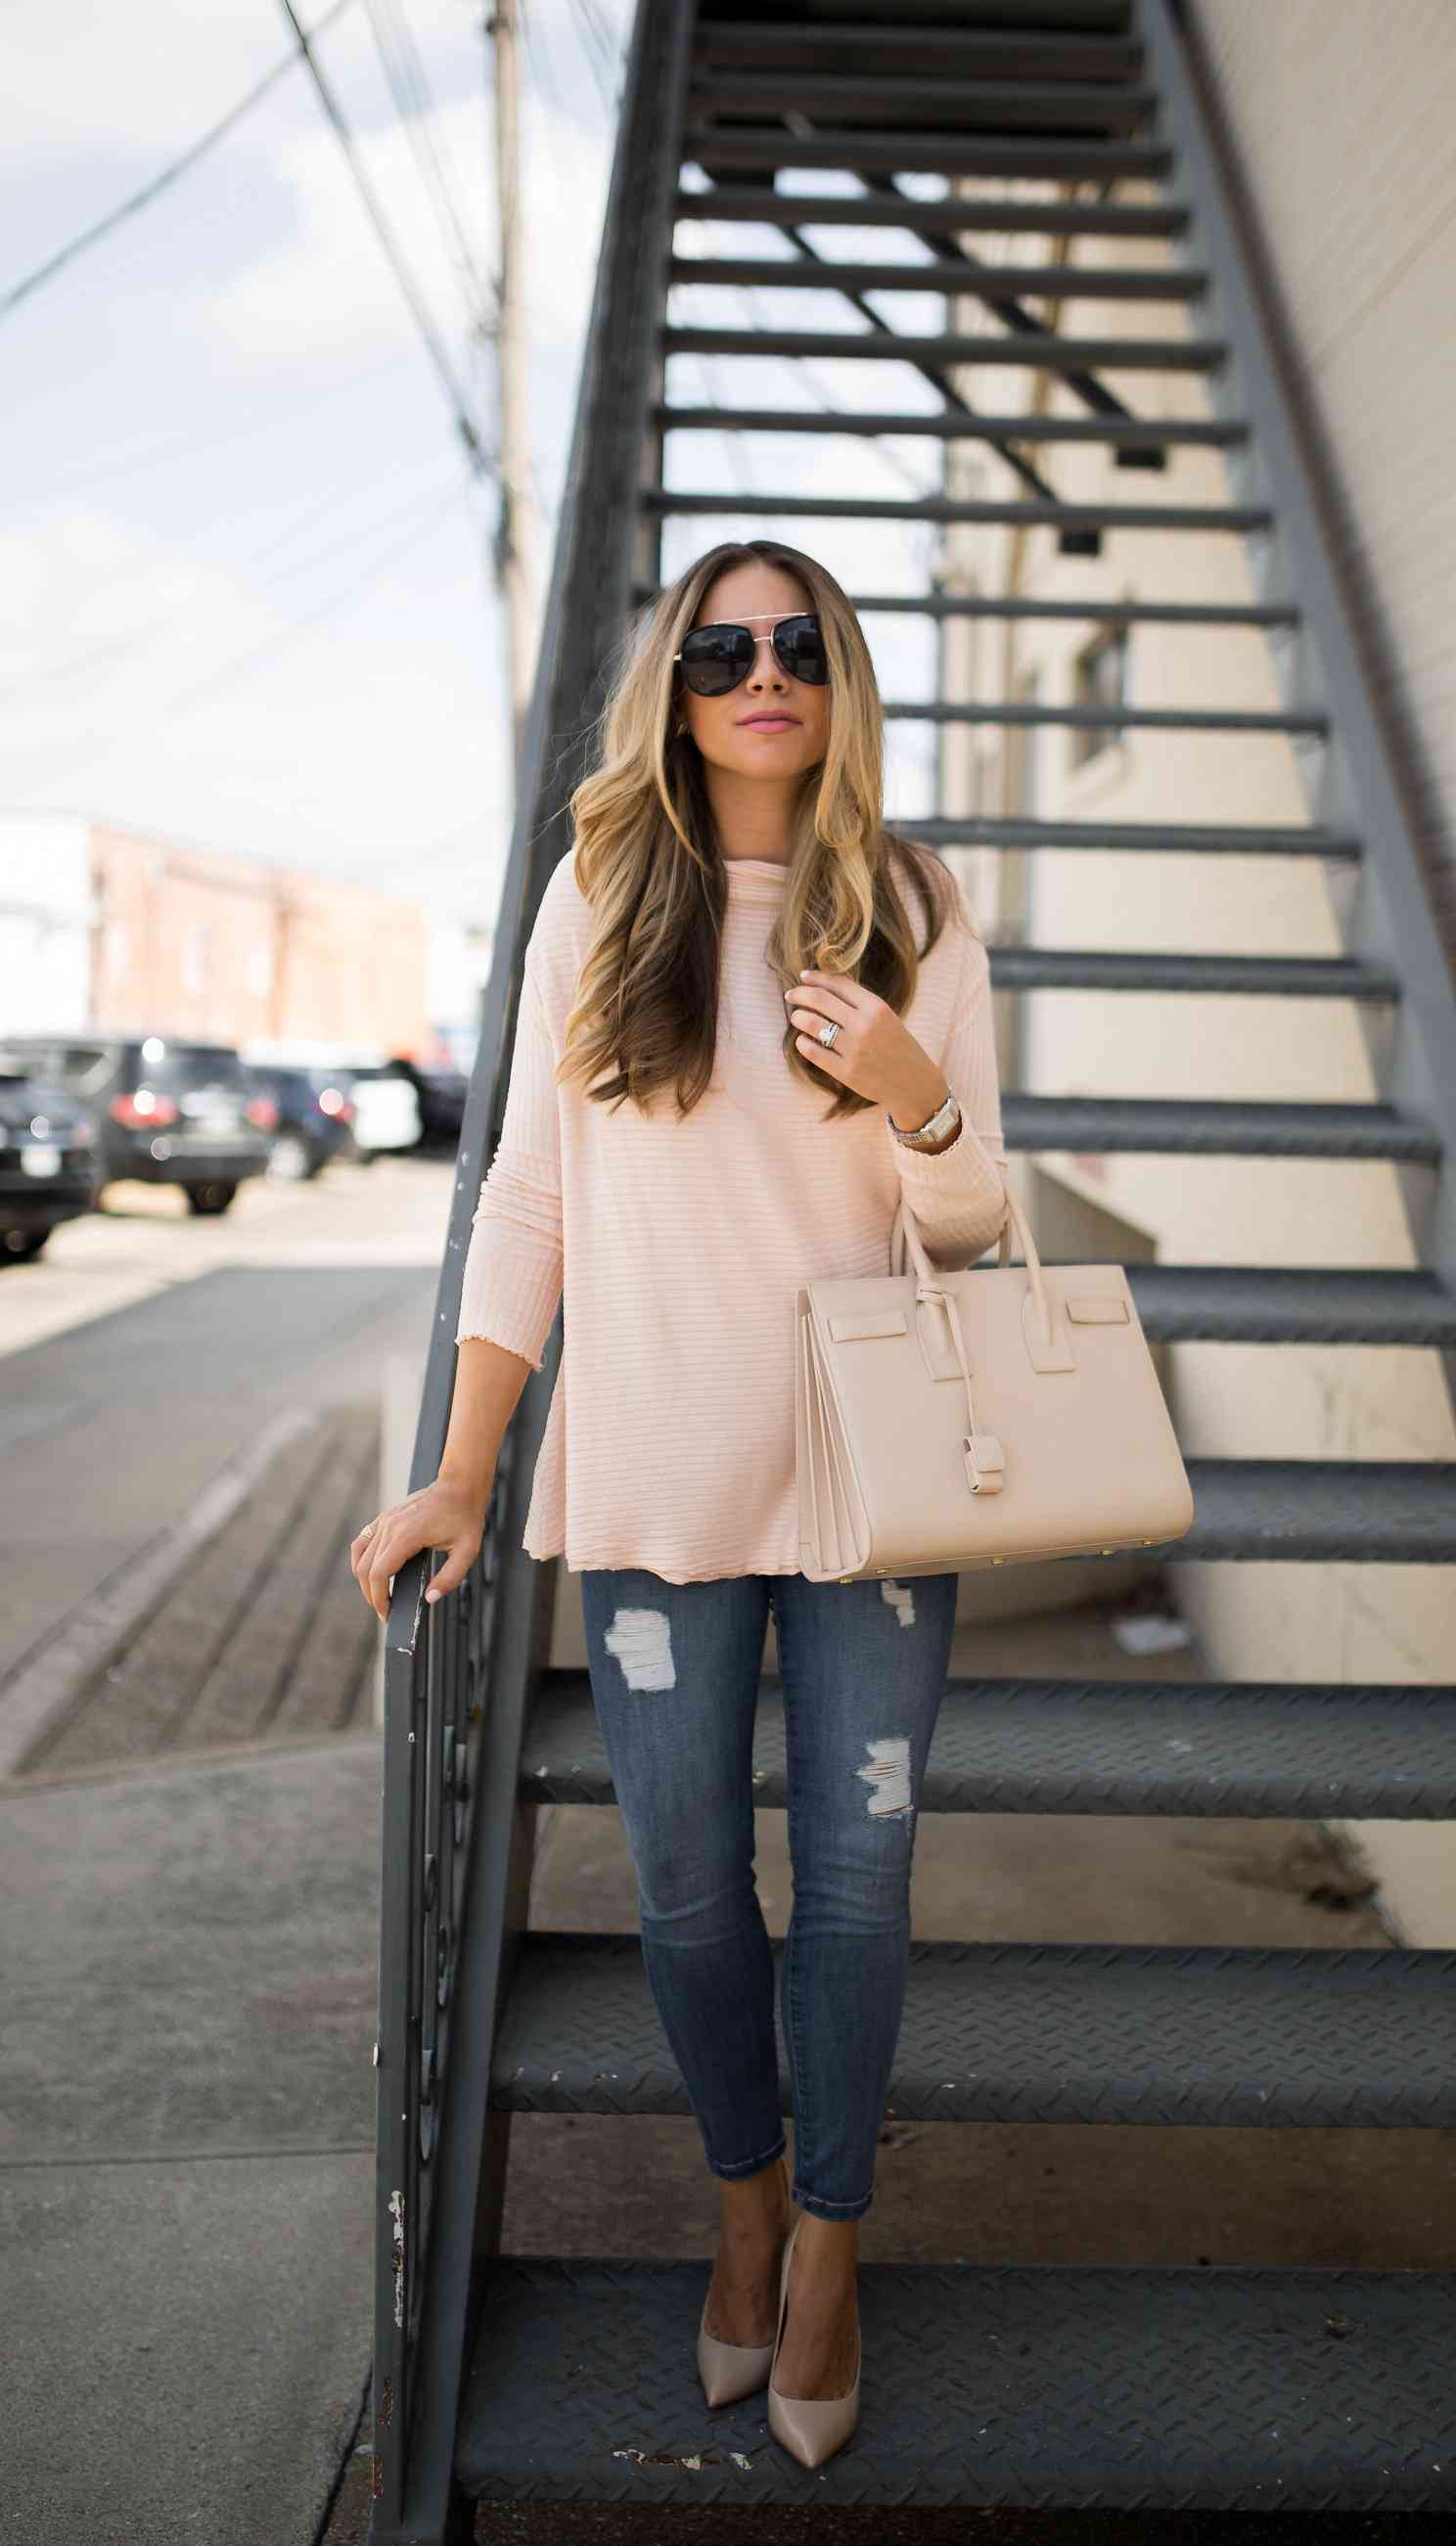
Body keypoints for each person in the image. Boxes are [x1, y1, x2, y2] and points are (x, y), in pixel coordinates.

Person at [348, 536, 1010, 2468]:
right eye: (722, 647)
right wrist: (464, 1465)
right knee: (684, 1883)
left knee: (862, 1884)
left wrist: (920, 1093)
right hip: (649, 1477)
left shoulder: (908, 902)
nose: (761, 673)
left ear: (842, 672)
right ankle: (742, 2192)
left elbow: (970, 1232)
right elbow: (531, 1198)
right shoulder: (603, 890)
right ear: (676, 684)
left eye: (799, 642)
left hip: (875, 1485)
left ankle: (826, 2245)